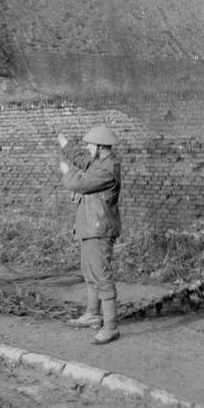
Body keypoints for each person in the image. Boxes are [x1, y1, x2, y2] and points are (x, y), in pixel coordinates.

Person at [58, 125, 122, 345]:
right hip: (90, 227)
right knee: (89, 272)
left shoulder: (107, 170)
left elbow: (80, 183)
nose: (87, 147)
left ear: (101, 147)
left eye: (90, 145)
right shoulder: (100, 163)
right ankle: (93, 314)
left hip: (99, 229)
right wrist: (65, 145)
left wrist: (67, 172)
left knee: (101, 277)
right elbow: (83, 160)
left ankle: (111, 327)